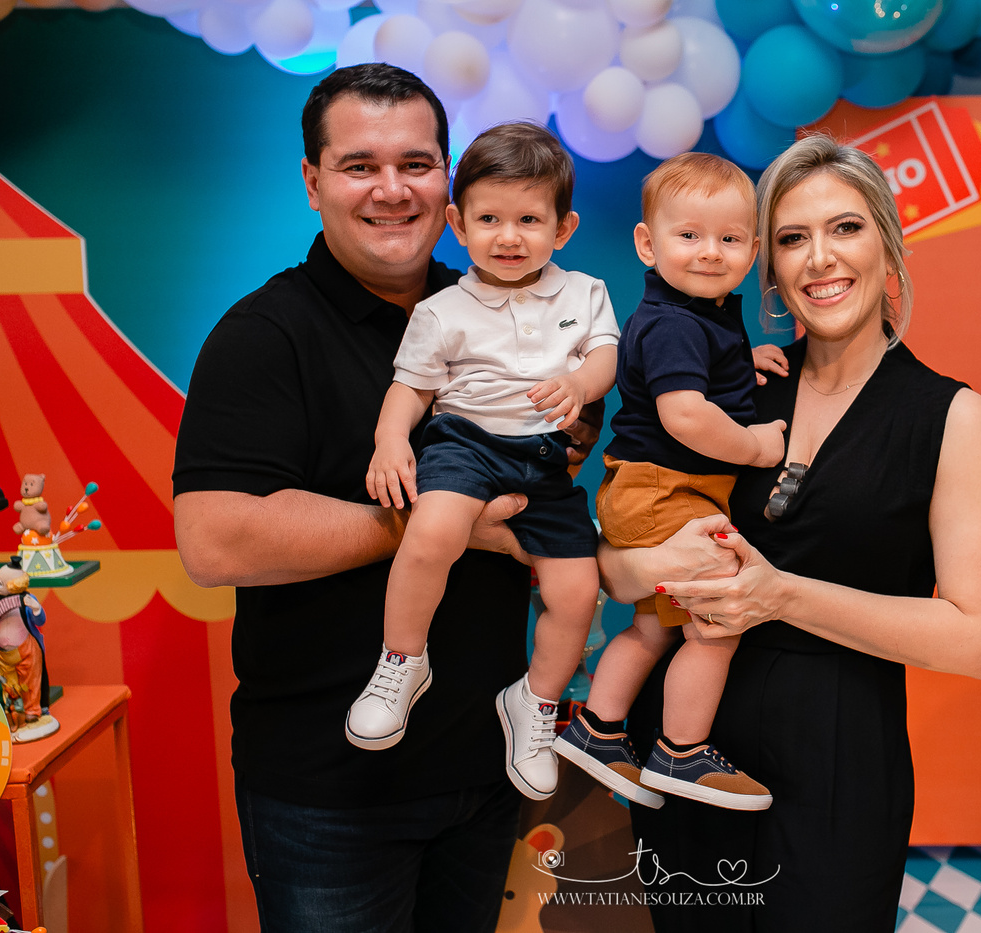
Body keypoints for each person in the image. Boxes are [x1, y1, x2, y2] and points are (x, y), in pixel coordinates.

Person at [172, 64, 599, 933]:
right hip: (331, 793)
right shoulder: (264, 335)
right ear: (313, 182)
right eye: (360, 165)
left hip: (484, 768)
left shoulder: (510, 302)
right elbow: (214, 540)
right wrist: (447, 523)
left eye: (416, 163)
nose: (392, 189)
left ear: (449, 182)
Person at [596, 134, 981, 931]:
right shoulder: (732, 393)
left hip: (838, 769)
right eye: (793, 237)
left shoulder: (951, 417)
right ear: (770, 264)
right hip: (684, 757)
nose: (820, 257)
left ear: (888, 243)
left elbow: (980, 640)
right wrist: (645, 566)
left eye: (845, 228)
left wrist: (781, 595)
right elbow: (616, 564)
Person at [349, 122, 618, 807]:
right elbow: (410, 387)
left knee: (577, 590)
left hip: (545, 458)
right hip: (464, 443)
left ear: (563, 228)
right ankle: (403, 660)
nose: (508, 236)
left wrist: (580, 385)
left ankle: (536, 700)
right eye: (490, 219)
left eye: (529, 219)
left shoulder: (584, 292)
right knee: (432, 531)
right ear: (458, 224)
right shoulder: (441, 311)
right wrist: (390, 440)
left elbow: (604, 357)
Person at [554, 153, 787, 812]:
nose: (710, 251)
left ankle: (598, 730)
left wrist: (739, 364)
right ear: (647, 245)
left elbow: (694, 373)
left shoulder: (697, 314)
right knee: (717, 624)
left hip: (649, 487)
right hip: (666, 490)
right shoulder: (676, 322)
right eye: (689, 235)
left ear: (753, 251)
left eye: (730, 238)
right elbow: (683, 413)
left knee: (654, 628)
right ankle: (682, 750)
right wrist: (754, 445)